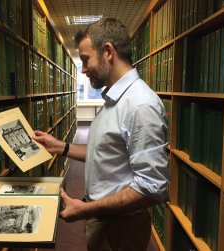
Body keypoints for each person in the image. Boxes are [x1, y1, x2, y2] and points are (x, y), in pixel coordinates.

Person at [33, 18, 169, 251]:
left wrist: (87, 210)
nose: (83, 69)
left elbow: (151, 189)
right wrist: (60, 147)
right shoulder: (113, 100)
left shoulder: (139, 106)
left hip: (121, 228)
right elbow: (105, 152)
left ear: (108, 52)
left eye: (86, 60)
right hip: (105, 219)